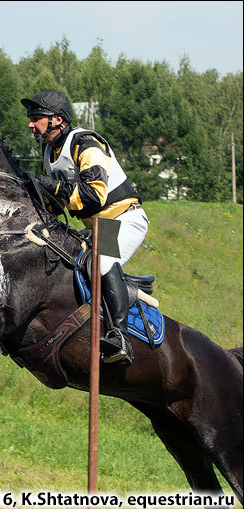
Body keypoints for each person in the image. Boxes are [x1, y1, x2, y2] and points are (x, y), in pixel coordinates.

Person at [20, 89, 149, 365]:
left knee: (102, 262)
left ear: (57, 119)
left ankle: (119, 337)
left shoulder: (85, 142)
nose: (31, 124)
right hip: (98, 227)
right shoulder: (49, 152)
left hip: (123, 218)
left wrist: (48, 185)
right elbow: (56, 206)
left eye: (36, 118)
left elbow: (94, 196)